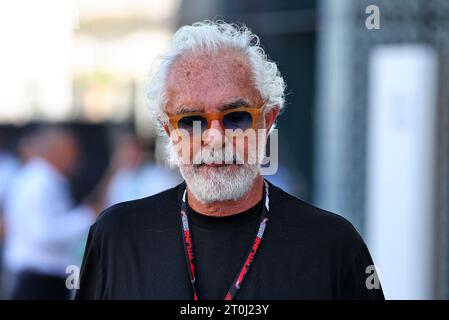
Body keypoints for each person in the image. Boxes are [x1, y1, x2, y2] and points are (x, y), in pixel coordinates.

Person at [76, 21, 384, 300]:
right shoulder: (116, 238)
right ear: (168, 129)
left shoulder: (333, 246)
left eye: (235, 117)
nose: (215, 137)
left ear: (267, 121)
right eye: (191, 120)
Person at [3, 125, 137, 299]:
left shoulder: (40, 177)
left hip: (41, 279)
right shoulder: (40, 182)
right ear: (57, 150)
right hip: (39, 281)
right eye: (72, 149)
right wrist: (87, 216)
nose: (78, 156)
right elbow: (43, 234)